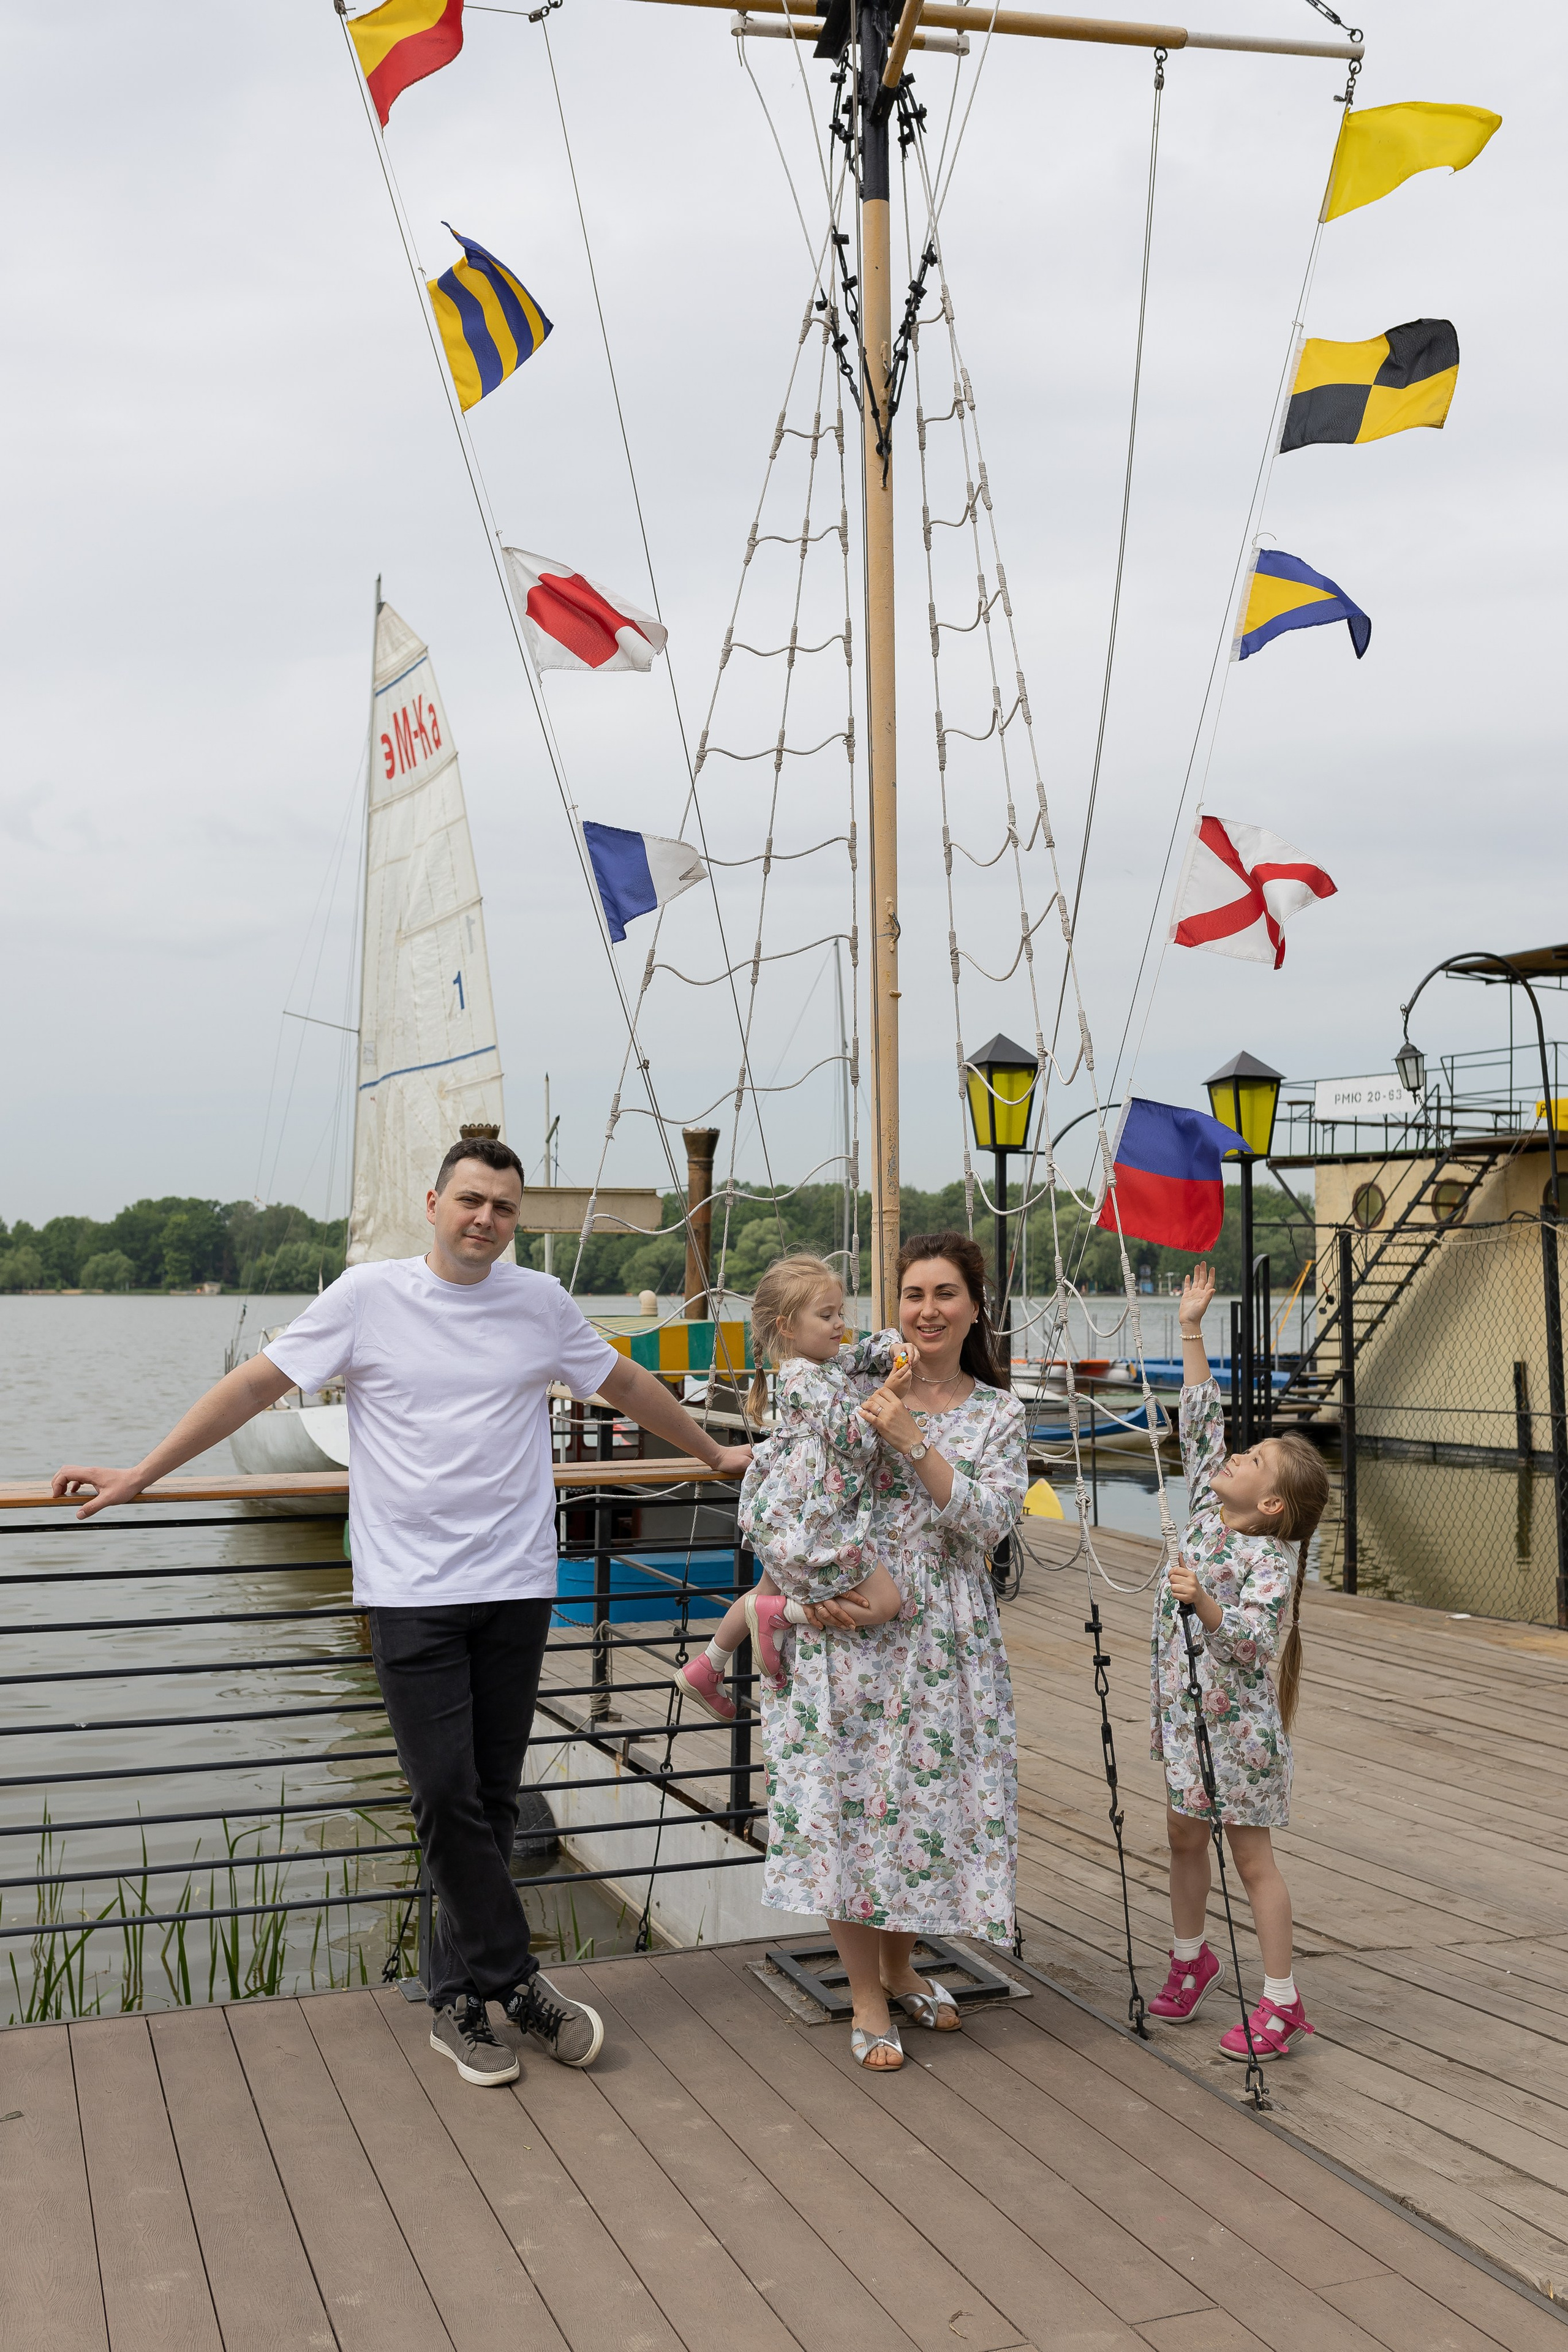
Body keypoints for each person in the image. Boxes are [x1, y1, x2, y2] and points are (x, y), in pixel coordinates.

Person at [53, 1136, 752, 2090]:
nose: (486, 1221)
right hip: (411, 1594)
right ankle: (519, 1984)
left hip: (515, 1586)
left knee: (491, 1803)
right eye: (471, 1201)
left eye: (504, 1209)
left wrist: (709, 1453)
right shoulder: (366, 1297)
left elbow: (622, 1384)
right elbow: (256, 1387)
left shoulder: (539, 1304)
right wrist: (143, 1473)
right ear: (433, 1203)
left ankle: (453, 2000)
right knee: (442, 1796)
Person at [761, 1232, 1026, 2070]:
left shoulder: (999, 1412)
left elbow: (990, 1522)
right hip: (858, 1616)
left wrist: (912, 1436)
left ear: (975, 1306)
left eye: (946, 1293)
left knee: (920, 1804)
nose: (928, 1310)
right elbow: (797, 1461)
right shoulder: (856, 1382)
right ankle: (865, 1995)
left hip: (945, 1624)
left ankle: (904, 1965)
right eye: (913, 1294)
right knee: (848, 1799)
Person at [1149, 1260, 1329, 2060]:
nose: (1231, 1456)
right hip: (1186, 1723)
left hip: (1241, 1737)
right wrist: (1192, 1326)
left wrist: (1205, 1603)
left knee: (1252, 1861)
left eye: (1249, 1461)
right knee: (1183, 1838)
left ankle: (1283, 2003)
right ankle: (1193, 1958)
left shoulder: (1274, 1560)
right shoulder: (1203, 1510)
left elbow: (1253, 1640)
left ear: (1270, 1507)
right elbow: (1197, 1418)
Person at [670, 1254, 910, 1722]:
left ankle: (708, 1666)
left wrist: (896, 1350)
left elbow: (864, 1352)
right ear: (788, 1327)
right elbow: (853, 1442)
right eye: (827, 1316)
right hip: (812, 1517)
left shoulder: (822, 1360)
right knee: (885, 1603)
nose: (840, 1324)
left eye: (840, 1312)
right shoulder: (802, 1376)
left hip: (790, 1508)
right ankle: (786, 1614)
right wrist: (892, 1394)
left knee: (760, 1591)